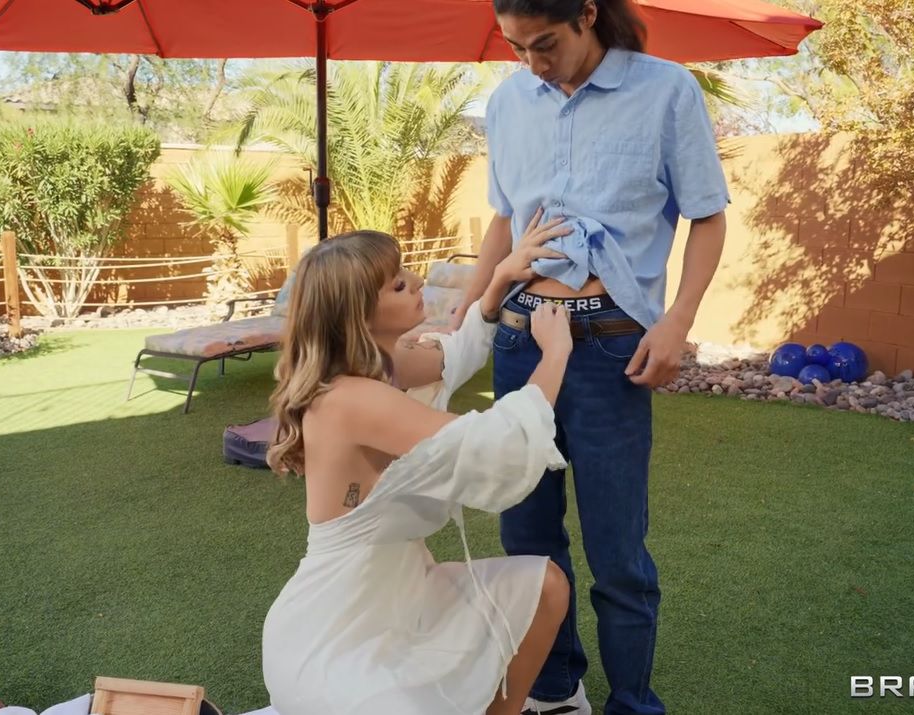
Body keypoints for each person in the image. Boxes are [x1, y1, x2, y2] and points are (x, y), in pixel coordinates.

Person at [453, 1, 730, 713]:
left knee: (618, 551)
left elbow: (707, 213)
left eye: (544, 43)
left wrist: (677, 321)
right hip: (520, 340)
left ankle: (632, 702)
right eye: (516, 47)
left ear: (587, 13)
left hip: (612, 346)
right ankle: (555, 690)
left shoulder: (666, 90)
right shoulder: (508, 103)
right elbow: (505, 219)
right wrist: (471, 304)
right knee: (526, 539)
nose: (532, 64)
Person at [262, 218, 587, 715]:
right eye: (397, 284)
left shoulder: (383, 365)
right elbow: (493, 443)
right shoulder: (352, 399)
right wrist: (557, 352)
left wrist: (499, 278)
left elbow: (455, 353)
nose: (415, 281)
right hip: (337, 634)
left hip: (406, 591)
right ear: (358, 315)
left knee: (545, 587)